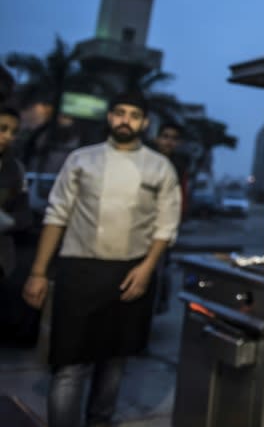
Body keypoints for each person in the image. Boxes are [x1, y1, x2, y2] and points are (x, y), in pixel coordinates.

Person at [22, 89, 181, 427]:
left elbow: (166, 226)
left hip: (130, 275)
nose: (126, 120)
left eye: (134, 115)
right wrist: (37, 272)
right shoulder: (81, 159)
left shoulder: (160, 167)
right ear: (110, 117)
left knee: (114, 363)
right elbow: (56, 216)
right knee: (69, 365)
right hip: (78, 271)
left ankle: (99, 421)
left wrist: (146, 270)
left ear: (145, 123)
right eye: (120, 112)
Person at [149, 121, 188, 314]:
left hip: (164, 229)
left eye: (173, 138)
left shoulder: (179, 166)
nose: (168, 142)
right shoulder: (146, 160)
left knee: (157, 272)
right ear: (157, 138)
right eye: (165, 136)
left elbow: (181, 199)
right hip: (141, 226)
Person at [0, 105, 31, 279]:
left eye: (14, 132)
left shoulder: (16, 169)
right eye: (2, 128)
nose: (8, 136)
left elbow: (25, 215)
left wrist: (8, 221)